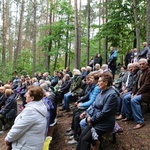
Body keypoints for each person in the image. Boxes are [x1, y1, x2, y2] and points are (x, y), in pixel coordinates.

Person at [76, 72, 118, 150]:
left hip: (105, 123)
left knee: (85, 140)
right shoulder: (102, 92)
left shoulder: (112, 95)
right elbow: (93, 105)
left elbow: (105, 113)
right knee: (82, 137)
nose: (97, 83)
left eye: (99, 81)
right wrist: (86, 113)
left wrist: (91, 119)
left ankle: (95, 143)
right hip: (97, 120)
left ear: (105, 83)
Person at [5, 86, 48, 150]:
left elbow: (18, 129)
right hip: (34, 145)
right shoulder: (40, 107)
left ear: (32, 98)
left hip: (25, 146)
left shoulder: (31, 111)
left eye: (27, 94)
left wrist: (8, 140)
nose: (25, 95)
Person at [122, 59, 150, 129]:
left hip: (147, 93)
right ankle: (129, 116)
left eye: (143, 64)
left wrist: (136, 94)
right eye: (140, 64)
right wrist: (133, 92)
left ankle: (140, 121)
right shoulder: (140, 72)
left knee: (134, 100)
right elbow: (135, 84)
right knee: (125, 98)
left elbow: (146, 85)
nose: (141, 65)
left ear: (147, 64)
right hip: (139, 92)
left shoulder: (149, 72)